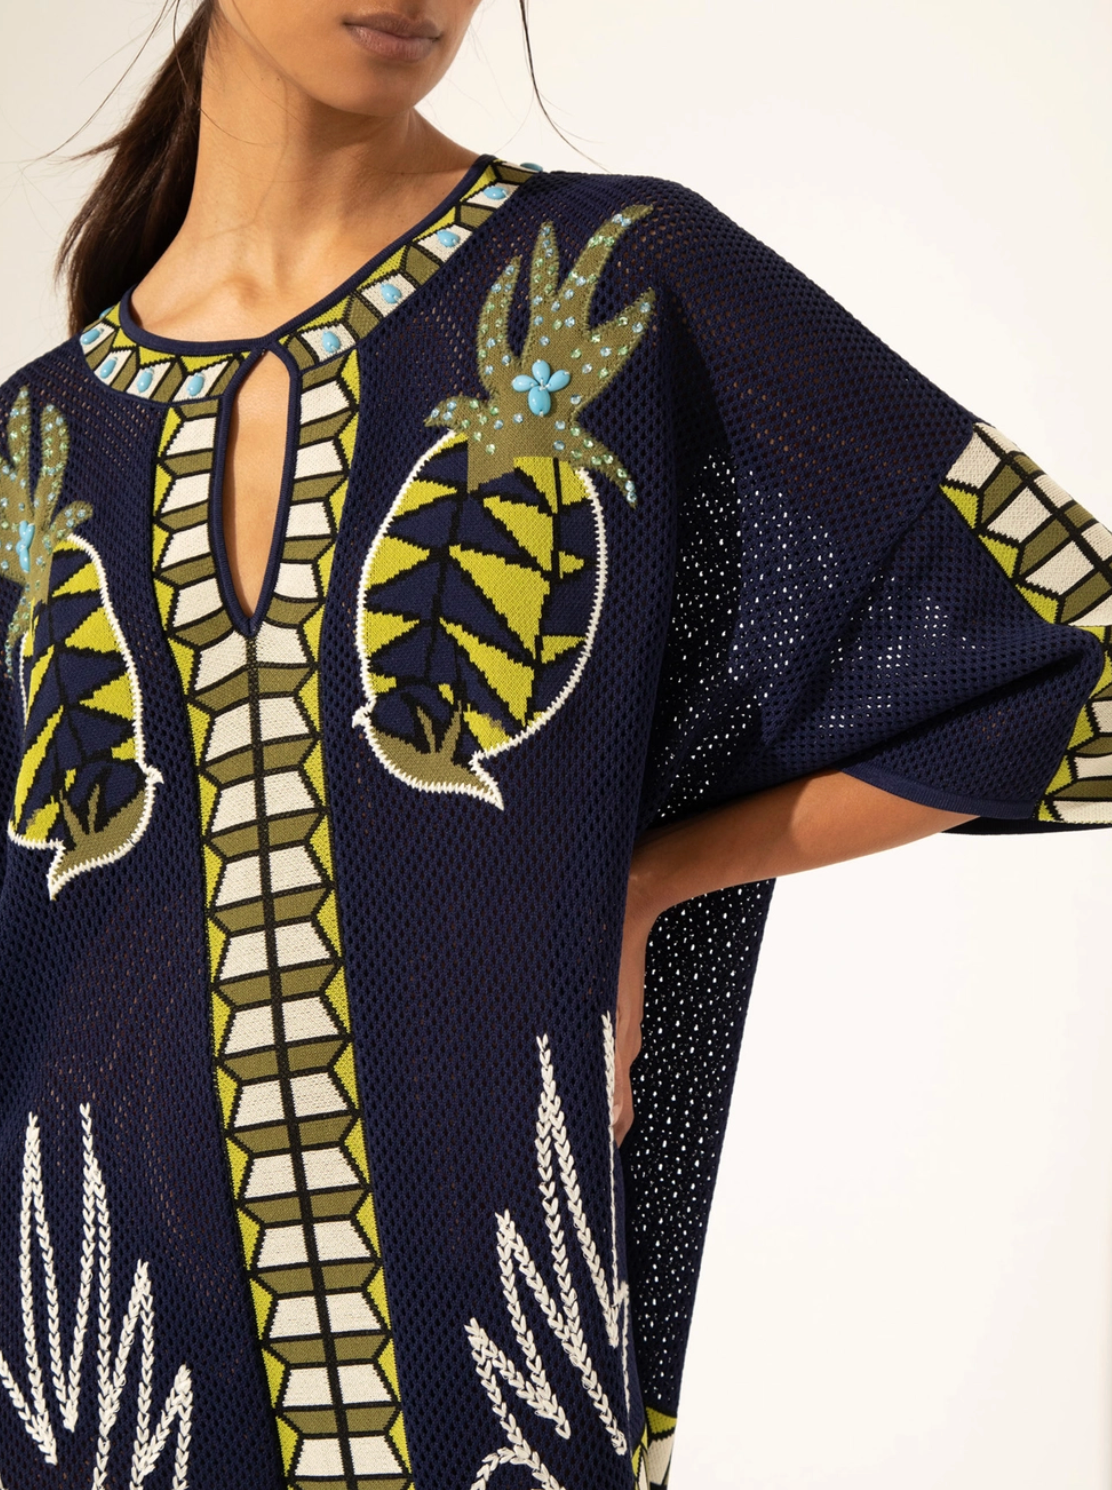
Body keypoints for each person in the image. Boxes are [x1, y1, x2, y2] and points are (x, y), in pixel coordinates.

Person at [0, 3, 1108, 1487]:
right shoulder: (31, 451)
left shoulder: (621, 283)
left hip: (495, 1373)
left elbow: (1068, 654)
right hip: (94, 1389)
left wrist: (650, 881)